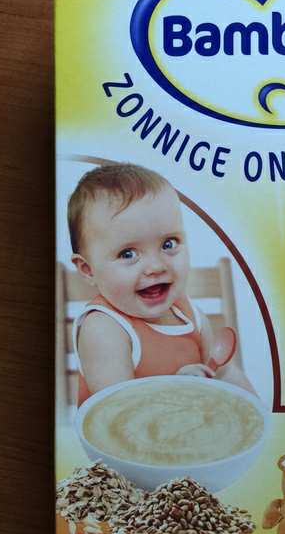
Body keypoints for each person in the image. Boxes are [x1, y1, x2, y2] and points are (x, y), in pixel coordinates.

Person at [68, 163, 252, 405]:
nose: (155, 267)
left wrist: (263, 414)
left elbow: (226, 373)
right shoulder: (104, 329)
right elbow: (119, 413)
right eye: (128, 254)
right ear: (88, 269)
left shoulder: (189, 314)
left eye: (168, 244)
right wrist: (177, 388)